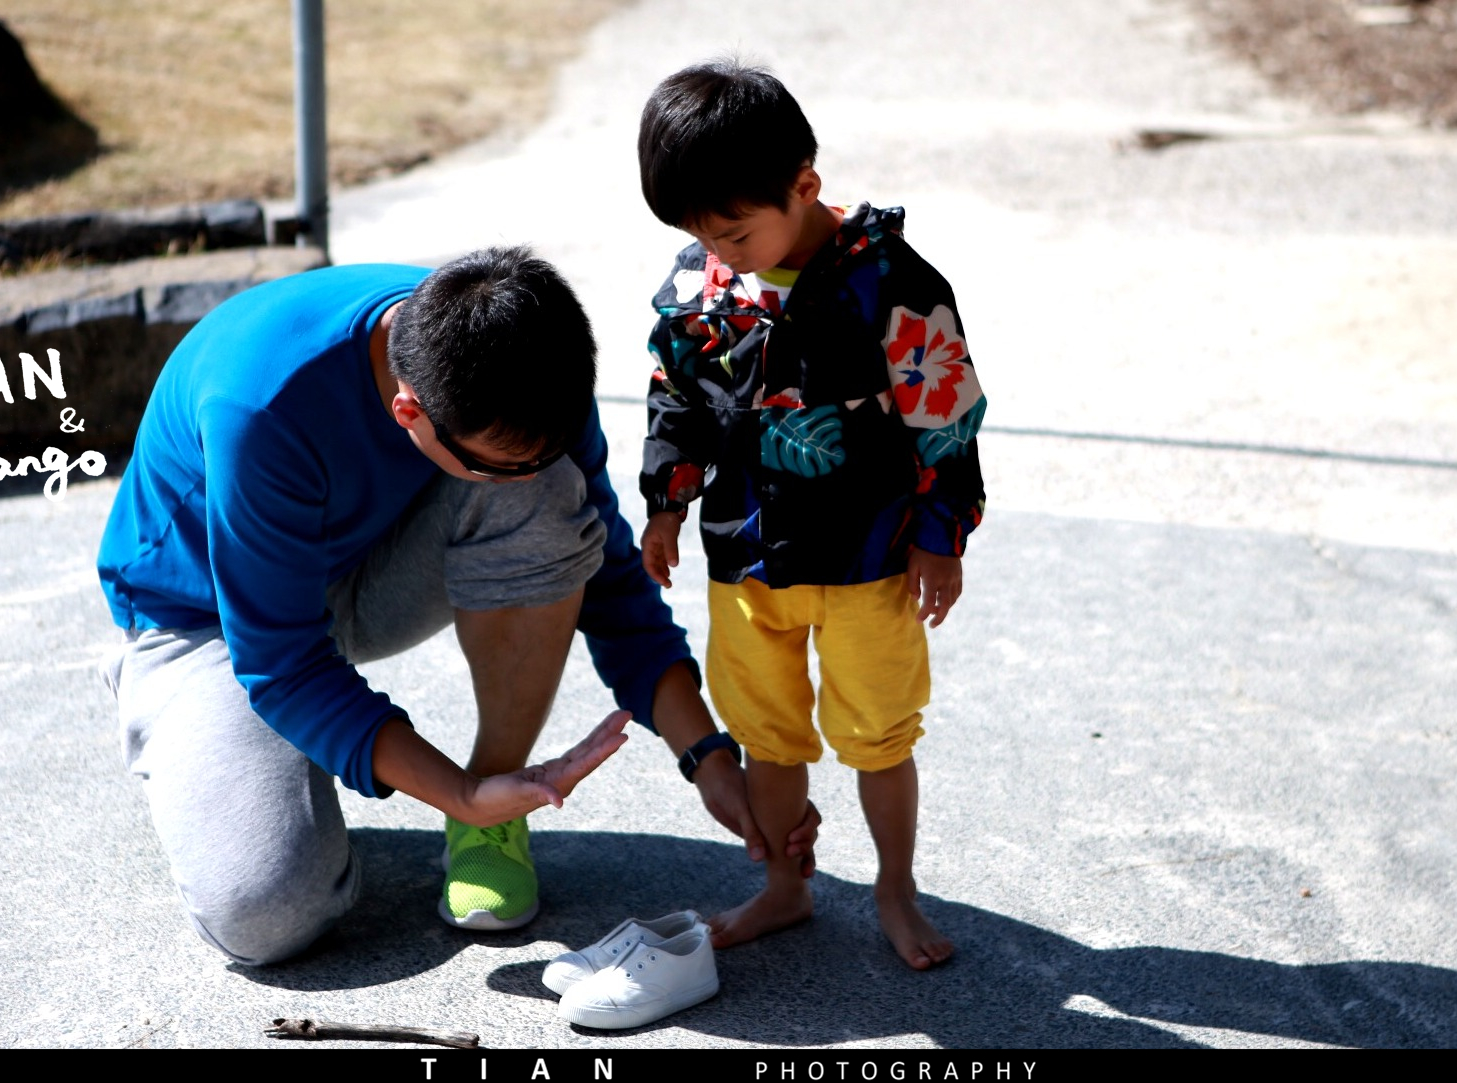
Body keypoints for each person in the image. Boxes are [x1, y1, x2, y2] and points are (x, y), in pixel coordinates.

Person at [96, 246, 817, 966]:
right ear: (408, 410)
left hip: (362, 564)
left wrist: (709, 756)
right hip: (207, 617)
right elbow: (283, 663)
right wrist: (458, 789)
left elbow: (607, 572)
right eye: (498, 463)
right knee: (267, 911)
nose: (534, 473)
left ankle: (488, 815)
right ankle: (168, 700)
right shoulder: (260, 405)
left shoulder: (529, 364)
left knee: (550, 489)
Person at [635, 60, 987, 970]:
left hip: (869, 553)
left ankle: (894, 887)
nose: (721, 250)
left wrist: (941, 538)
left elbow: (945, 411)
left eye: (736, 231)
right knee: (767, 732)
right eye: (698, 233)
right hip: (747, 558)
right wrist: (667, 503)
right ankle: (788, 886)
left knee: (877, 733)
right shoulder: (701, 286)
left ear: (805, 186)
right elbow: (675, 394)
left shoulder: (888, 281)